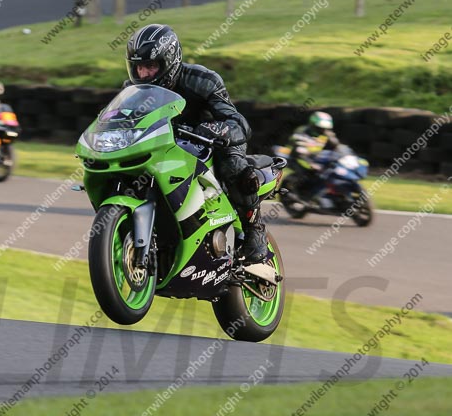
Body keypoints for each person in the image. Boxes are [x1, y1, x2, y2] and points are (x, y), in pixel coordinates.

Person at [124, 24, 270, 264]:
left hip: (214, 144)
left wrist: (214, 129)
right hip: (166, 148)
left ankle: (255, 230)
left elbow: (239, 123)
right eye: (139, 67)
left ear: (169, 61)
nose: (144, 74)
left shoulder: (203, 80)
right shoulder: (132, 91)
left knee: (233, 166)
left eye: (150, 66)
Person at [289, 111, 340, 208]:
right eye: (320, 128)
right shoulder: (302, 132)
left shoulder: (327, 134)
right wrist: (311, 163)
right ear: (313, 125)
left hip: (316, 157)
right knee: (309, 172)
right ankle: (300, 195)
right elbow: (298, 150)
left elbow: (336, 147)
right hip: (297, 157)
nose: (323, 130)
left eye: (325, 128)